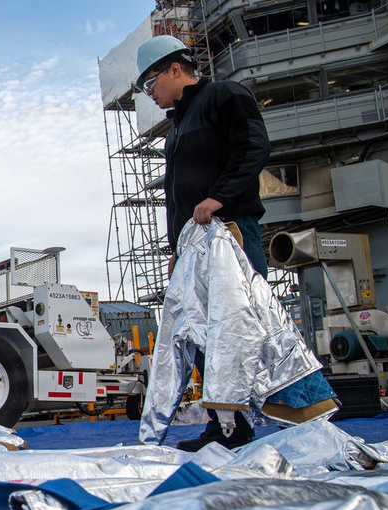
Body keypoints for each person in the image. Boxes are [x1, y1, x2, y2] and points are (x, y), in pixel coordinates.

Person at [135, 35, 271, 451]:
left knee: (237, 329)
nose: (149, 93)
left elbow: (253, 147)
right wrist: (177, 247)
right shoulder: (177, 126)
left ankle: (280, 415)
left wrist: (220, 196)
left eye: (150, 82)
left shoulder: (223, 96)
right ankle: (225, 427)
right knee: (202, 334)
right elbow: (178, 194)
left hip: (229, 235)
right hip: (194, 246)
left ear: (175, 68)